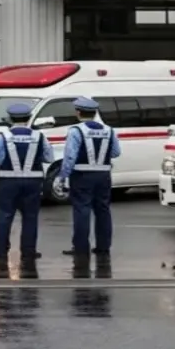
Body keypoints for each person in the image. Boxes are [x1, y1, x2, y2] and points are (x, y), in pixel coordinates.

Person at [0, 103, 54, 261]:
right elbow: (49, 158)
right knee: (30, 217)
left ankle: (0, 251)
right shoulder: (39, 136)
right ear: (28, 118)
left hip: (7, 181)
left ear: (10, 119)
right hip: (33, 182)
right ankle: (29, 251)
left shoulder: (2, 136)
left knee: (4, 215)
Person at [58, 96, 122, 258]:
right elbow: (116, 152)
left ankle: (80, 247)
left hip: (82, 175)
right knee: (103, 210)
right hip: (103, 175)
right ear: (94, 113)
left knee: (82, 210)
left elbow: (70, 156)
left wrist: (63, 176)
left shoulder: (76, 131)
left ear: (78, 112)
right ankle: (103, 246)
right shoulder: (109, 130)